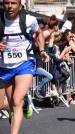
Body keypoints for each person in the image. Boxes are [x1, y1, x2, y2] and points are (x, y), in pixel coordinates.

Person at [0, 0, 49, 134]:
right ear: (3, 4)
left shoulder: (29, 20)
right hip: (4, 66)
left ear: (20, 5)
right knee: (10, 104)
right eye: (7, 3)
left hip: (25, 63)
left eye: (14, 3)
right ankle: (24, 104)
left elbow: (39, 33)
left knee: (17, 100)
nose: (10, 6)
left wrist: (42, 50)